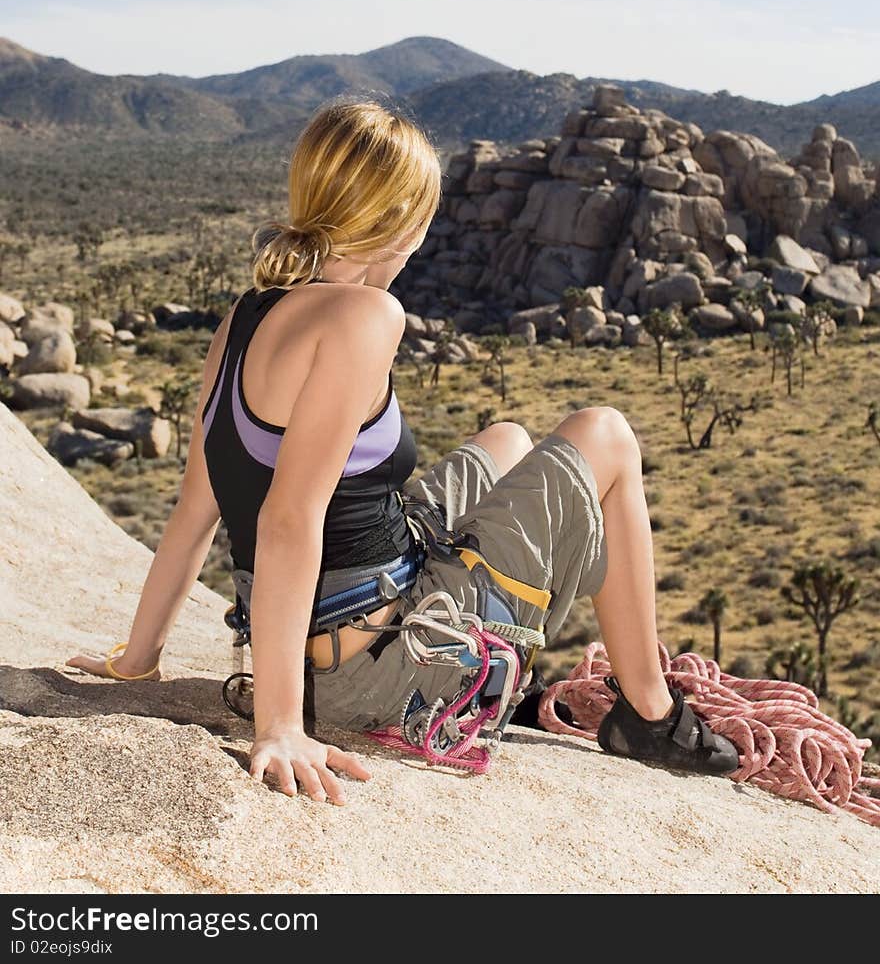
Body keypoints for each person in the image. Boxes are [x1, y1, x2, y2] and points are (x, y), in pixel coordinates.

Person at [68, 96, 739, 804]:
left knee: (508, 440)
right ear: (402, 223)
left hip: (333, 619)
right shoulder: (366, 315)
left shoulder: (246, 314)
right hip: (374, 661)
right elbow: (288, 519)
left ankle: (557, 678)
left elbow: (196, 511)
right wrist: (281, 724)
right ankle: (651, 714)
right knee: (607, 433)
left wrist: (137, 662)